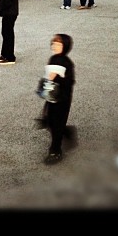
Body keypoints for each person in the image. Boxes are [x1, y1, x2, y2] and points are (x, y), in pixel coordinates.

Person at [39, 33, 76, 165]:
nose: (55, 46)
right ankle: (66, 131)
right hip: (52, 96)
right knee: (50, 120)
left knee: (57, 123)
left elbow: (70, 81)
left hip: (62, 99)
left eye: (59, 44)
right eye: (53, 43)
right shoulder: (53, 59)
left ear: (65, 46)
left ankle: (55, 151)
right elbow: (48, 77)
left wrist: (57, 78)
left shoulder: (67, 62)